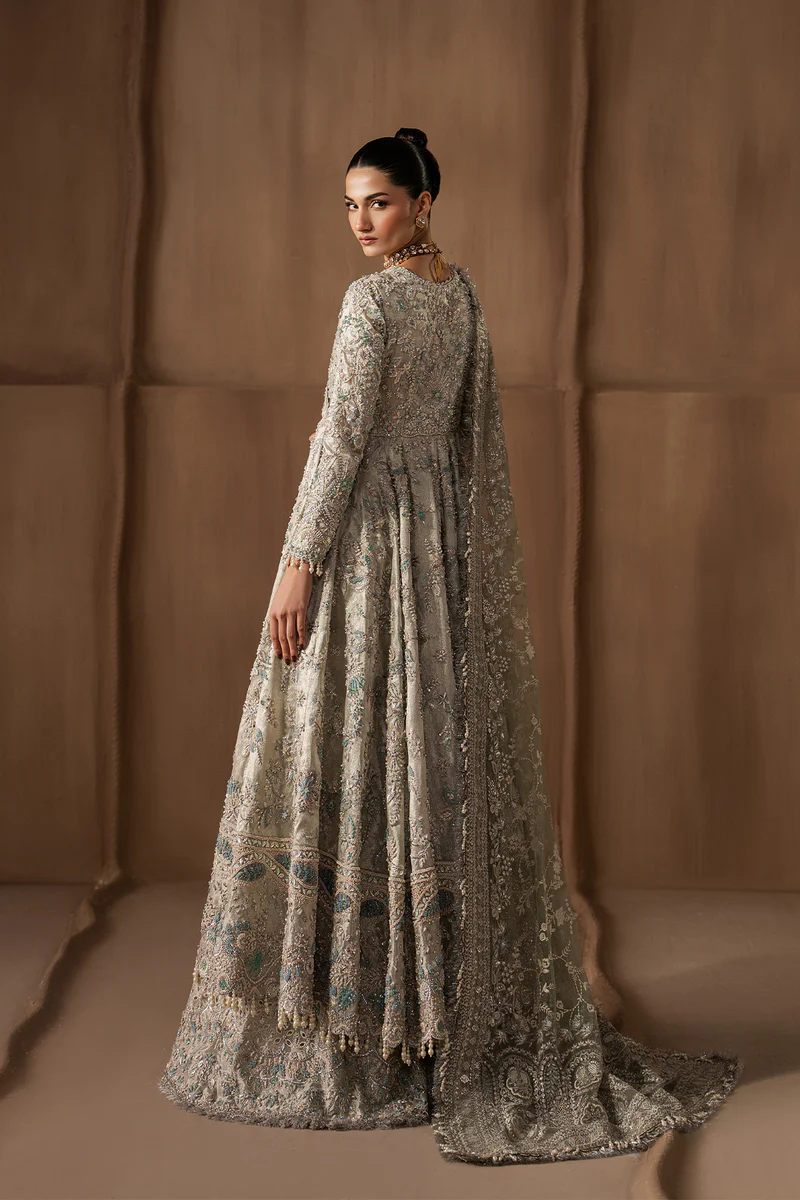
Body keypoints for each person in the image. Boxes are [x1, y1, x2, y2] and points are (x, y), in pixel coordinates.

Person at [158, 128, 743, 1164]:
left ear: (422, 202)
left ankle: (361, 1037)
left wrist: (298, 561)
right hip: (432, 562)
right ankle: (421, 1022)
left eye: (379, 202)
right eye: (350, 204)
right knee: (414, 767)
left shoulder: (373, 303)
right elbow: (469, 449)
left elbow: (343, 438)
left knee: (350, 756)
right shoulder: (460, 297)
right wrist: (456, 575)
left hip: (365, 553)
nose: (361, 222)